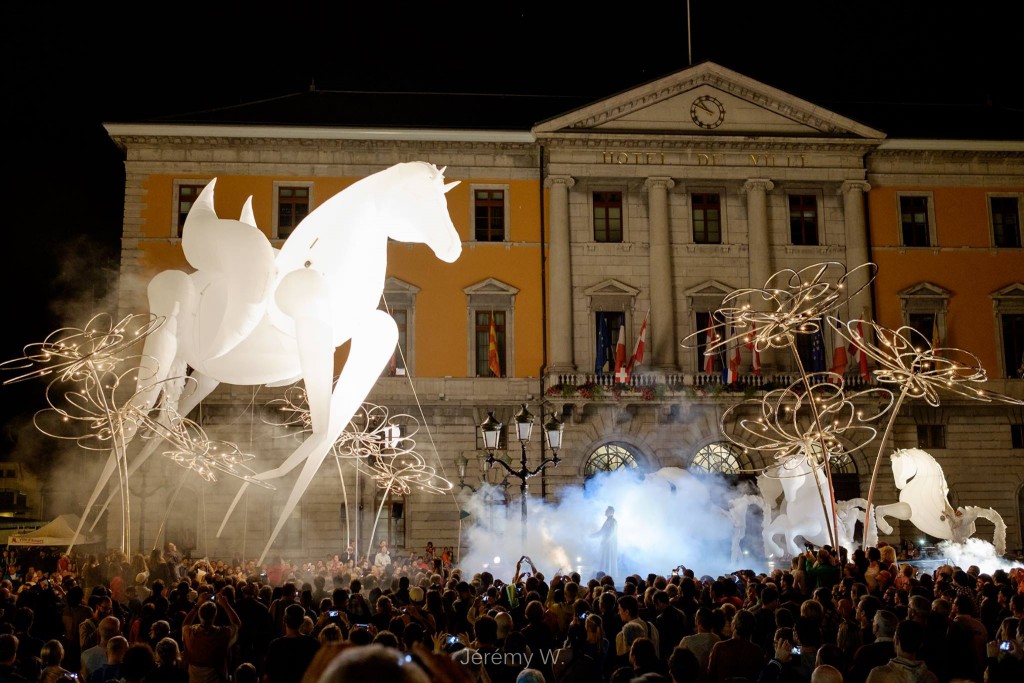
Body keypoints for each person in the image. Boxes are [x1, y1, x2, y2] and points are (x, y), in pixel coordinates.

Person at [593, 507, 619, 579]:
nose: (605, 511)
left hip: (609, 545)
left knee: (608, 560)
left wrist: (605, 541)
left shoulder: (613, 521)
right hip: (605, 544)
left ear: (611, 512)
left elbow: (611, 533)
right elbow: (601, 532)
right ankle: (603, 576)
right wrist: (592, 536)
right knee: (603, 560)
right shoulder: (607, 521)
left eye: (607, 510)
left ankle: (608, 576)